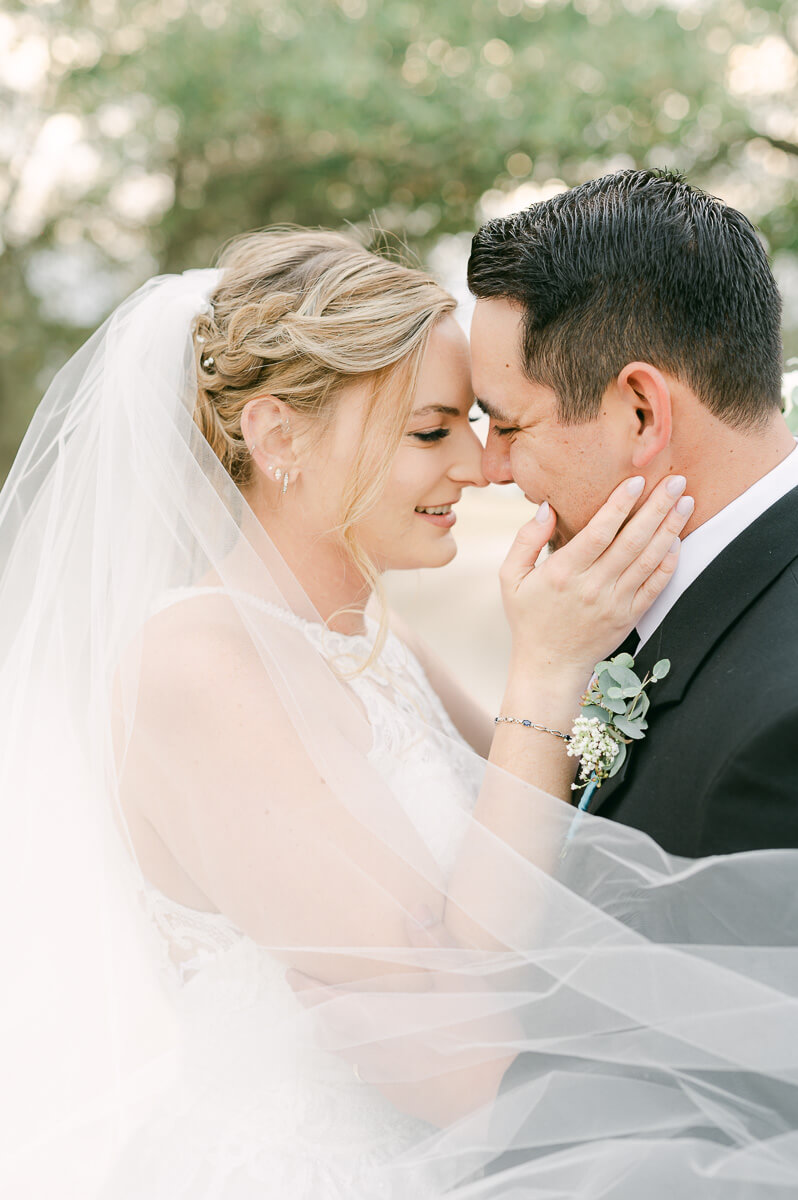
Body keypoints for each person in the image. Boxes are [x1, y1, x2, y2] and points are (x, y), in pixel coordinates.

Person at [1, 223, 796, 1200]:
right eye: (431, 431)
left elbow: (551, 836)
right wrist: (542, 670)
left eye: (477, 421)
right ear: (278, 437)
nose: (476, 465)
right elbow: (445, 1019)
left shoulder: (373, 636)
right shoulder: (196, 669)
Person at [467, 167, 798, 856]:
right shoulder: (615, 597)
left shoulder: (780, 730)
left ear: (642, 413)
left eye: (509, 426)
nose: (489, 469)